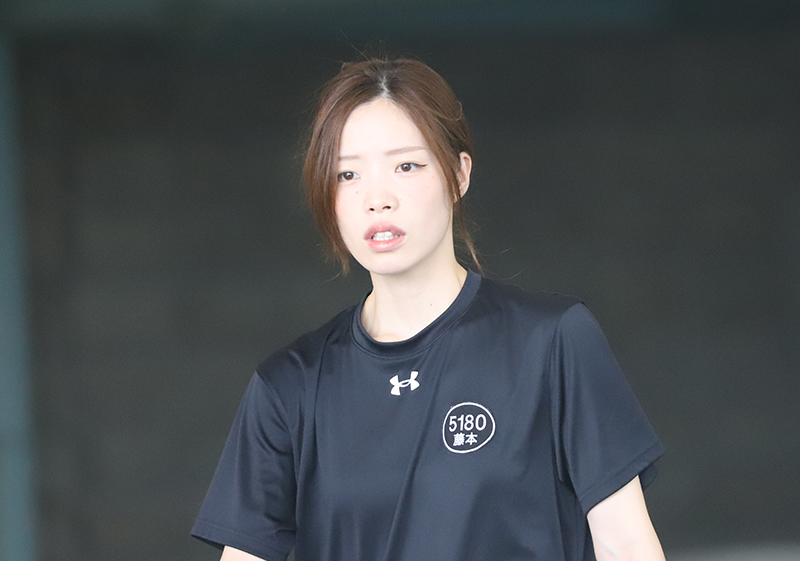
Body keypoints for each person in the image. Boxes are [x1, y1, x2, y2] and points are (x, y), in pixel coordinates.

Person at [191, 57, 666, 561]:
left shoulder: (550, 342)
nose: (377, 198)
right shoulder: (290, 385)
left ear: (458, 174)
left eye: (406, 166)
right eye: (347, 174)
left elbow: (625, 545)